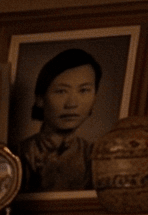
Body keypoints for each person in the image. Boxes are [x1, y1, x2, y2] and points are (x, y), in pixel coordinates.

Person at [20, 47, 103, 194]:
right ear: (40, 99)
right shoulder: (19, 154)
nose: (72, 104)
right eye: (61, 91)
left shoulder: (96, 156)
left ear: (95, 97)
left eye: (84, 90)